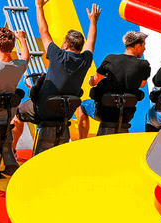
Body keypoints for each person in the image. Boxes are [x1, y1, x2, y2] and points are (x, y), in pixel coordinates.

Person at [12, 0, 100, 149]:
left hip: (43, 110)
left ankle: (12, 150)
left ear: (65, 44)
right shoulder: (85, 60)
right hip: (65, 113)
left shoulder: (57, 55)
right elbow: (91, 42)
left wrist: (38, 6)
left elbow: (43, 31)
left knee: (17, 113)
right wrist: (93, 21)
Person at [78, 31, 150, 137]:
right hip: (126, 114)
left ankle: (81, 141)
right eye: (144, 46)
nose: (144, 49)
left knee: (82, 105)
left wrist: (91, 81)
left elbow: (96, 80)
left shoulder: (111, 59)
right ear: (138, 46)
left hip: (105, 112)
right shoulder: (144, 65)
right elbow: (141, 85)